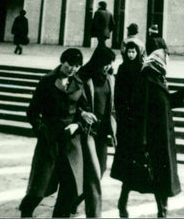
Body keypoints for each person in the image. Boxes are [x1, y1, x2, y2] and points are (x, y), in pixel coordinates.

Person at [19, 48, 97, 218]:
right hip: (50, 141)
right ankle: (26, 210)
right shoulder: (47, 81)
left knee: (70, 187)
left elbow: (83, 108)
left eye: (77, 66)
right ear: (63, 61)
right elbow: (32, 111)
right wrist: (42, 131)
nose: (73, 69)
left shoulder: (78, 83)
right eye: (70, 65)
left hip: (71, 143)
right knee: (40, 186)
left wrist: (79, 122)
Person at [130, 38, 184, 217]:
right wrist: (143, 140)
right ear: (159, 61)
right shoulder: (148, 78)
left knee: (162, 176)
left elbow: (163, 102)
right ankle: (161, 210)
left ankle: (162, 209)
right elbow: (145, 109)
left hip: (163, 134)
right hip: (155, 137)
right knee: (159, 176)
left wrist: (178, 97)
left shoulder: (158, 76)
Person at [76, 46, 116, 218]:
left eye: (110, 64)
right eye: (106, 63)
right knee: (93, 175)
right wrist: (82, 113)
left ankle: (72, 201)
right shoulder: (83, 78)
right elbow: (72, 102)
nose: (108, 67)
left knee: (100, 171)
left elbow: (112, 106)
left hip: (103, 133)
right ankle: (94, 215)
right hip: (88, 133)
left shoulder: (110, 79)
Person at [110, 39, 145, 217]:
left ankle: (123, 201)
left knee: (134, 165)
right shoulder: (123, 69)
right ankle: (122, 201)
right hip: (126, 124)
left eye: (134, 52)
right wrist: (123, 114)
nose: (131, 55)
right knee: (126, 165)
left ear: (138, 53)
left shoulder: (142, 69)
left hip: (138, 123)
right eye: (129, 52)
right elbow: (118, 95)